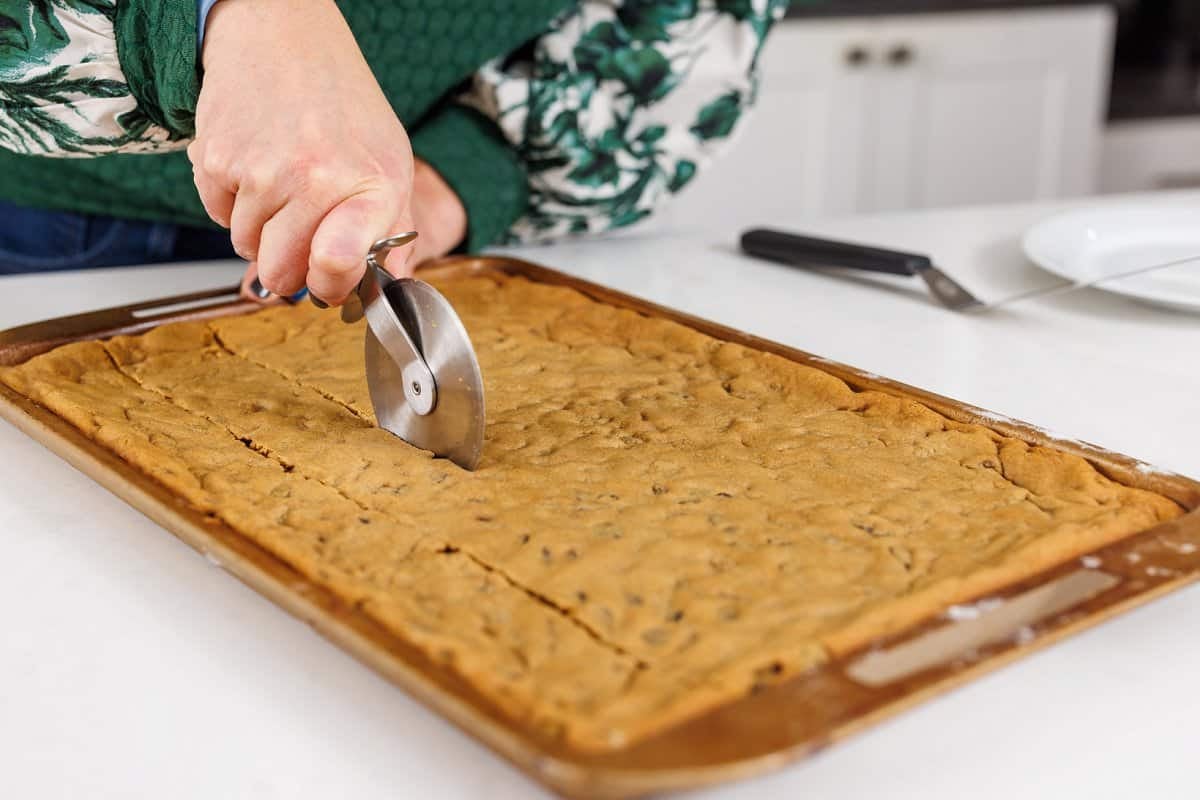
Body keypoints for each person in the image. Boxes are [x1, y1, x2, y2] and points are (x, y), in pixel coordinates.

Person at [0, 0, 787, 305]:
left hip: (415, 232)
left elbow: (698, 18)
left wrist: (459, 181)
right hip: (66, 221)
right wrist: (232, 15)